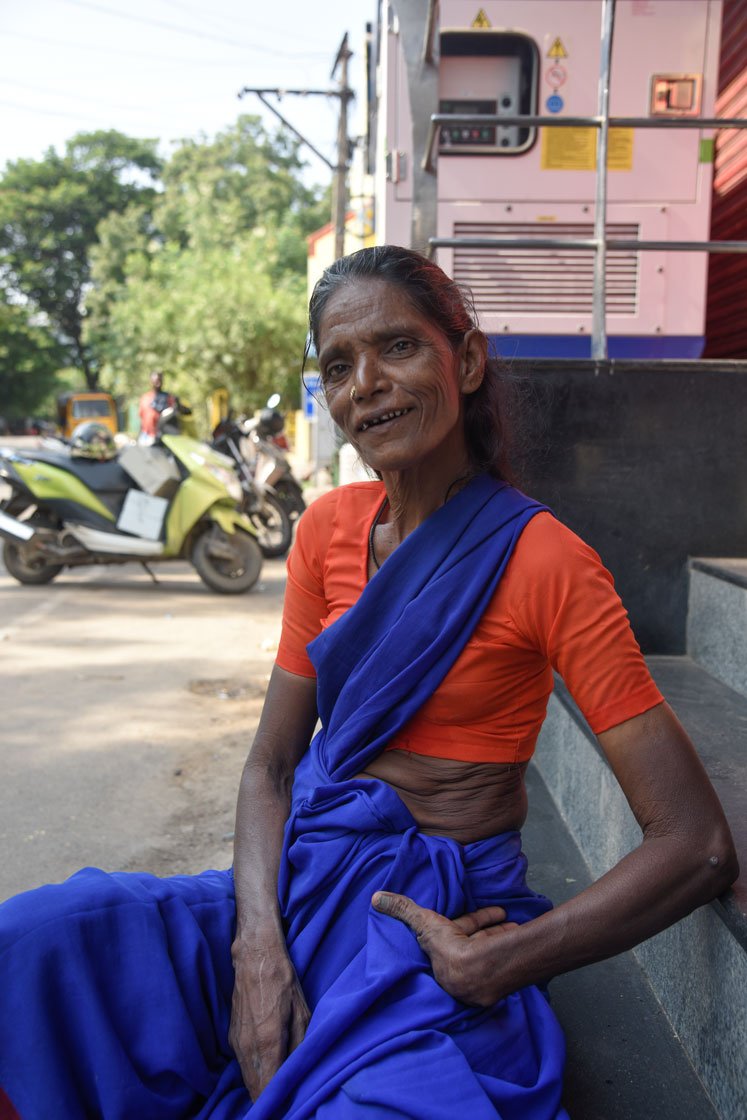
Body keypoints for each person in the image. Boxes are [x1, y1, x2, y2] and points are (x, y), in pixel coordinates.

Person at [0, 246, 738, 1119]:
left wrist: (502, 961)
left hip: (429, 919)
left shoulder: (546, 561)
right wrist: (258, 955)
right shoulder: (324, 531)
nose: (367, 386)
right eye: (338, 367)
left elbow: (693, 842)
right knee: (39, 942)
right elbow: (270, 769)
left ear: (462, 361)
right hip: (298, 882)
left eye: (397, 347)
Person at [138, 369, 178, 441]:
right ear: (151, 381)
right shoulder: (145, 398)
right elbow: (142, 418)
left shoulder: (168, 398)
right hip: (146, 436)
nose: (158, 383)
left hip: (162, 436)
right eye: (156, 380)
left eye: (160, 380)